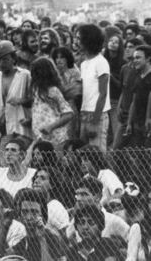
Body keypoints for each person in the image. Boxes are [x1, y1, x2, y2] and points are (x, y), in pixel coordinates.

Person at [0, 40, 32, 139]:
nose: (1, 63)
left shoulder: (25, 75)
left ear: (13, 59)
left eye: (5, 59)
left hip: (22, 129)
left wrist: (21, 101)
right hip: (3, 129)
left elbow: (35, 99)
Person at [66, 177, 129, 244]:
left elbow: (134, 241)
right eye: (77, 194)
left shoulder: (113, 221)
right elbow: (67, 238)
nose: (79, 198)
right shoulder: (77, 219)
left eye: (84, 194)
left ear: (97, 197)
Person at [78, 24, 111, 152]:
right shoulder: (84, 64)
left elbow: (103, 94)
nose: (76, 41)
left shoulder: (101, 62)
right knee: (84, 155)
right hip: (85, 113)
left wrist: (95, 121)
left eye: (79, 38)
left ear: (87, 40)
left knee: (98, 155)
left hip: (98, 114)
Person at [30, 57, 74, 147]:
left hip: (56, 139)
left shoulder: (52, 91)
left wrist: (51, 127)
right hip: (41, 139)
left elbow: (68, 114)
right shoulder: (36, 91)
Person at [15, 188, 66, 261]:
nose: (29, 217)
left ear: (43, 215)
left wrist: (41, 238)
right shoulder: (16, 238)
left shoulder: (53, 239)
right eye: (24, 212)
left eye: (34, 212)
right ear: (19, 215)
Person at [126, 45, 151, 148]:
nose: (135, 60)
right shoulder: (137, 75)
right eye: (134, 58)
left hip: (147, 122)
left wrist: (148, 118)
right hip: (137, 122)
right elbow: (134, 100)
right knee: (138, 155)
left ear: (148, 58)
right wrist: (129, 122)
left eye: (138, 58)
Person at [32, 167, 70, 234]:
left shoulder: (55, 206)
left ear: (52, 185)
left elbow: (67, 236)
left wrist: (47, 233)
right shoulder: (32, 205)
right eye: (36, 177)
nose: (36, 181)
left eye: (42, 178)